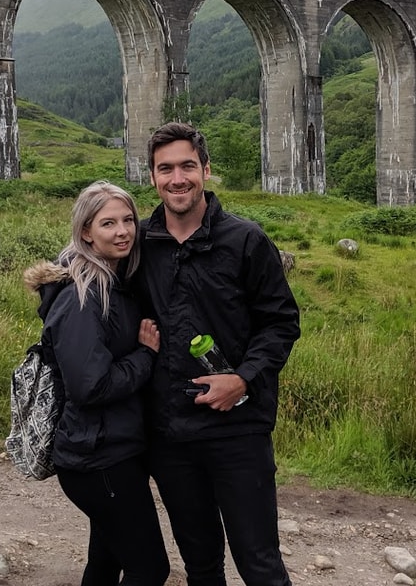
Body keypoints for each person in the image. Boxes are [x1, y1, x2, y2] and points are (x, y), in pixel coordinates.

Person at [139, 122, 301, 586]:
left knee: (260, 564)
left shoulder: (246, 241)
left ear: (205, 170)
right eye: (165, 169)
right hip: (170, 434)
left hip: (238, 431)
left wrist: (244, 378)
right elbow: (91, 272)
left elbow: (281, 323)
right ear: (152, 177)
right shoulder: (141, 246)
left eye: (187, 166)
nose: (177, 178)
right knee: (201, 565)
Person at [23, 180, 170, 586]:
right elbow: (91, 387)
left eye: (128, 220)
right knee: (150, 568)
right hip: (98, 459)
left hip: (113, 451)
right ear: (86, 231)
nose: (123, 231)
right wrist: (145, 356)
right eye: (108, 223)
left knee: (105, 562)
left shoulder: (116, 283)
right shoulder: (83, 297)